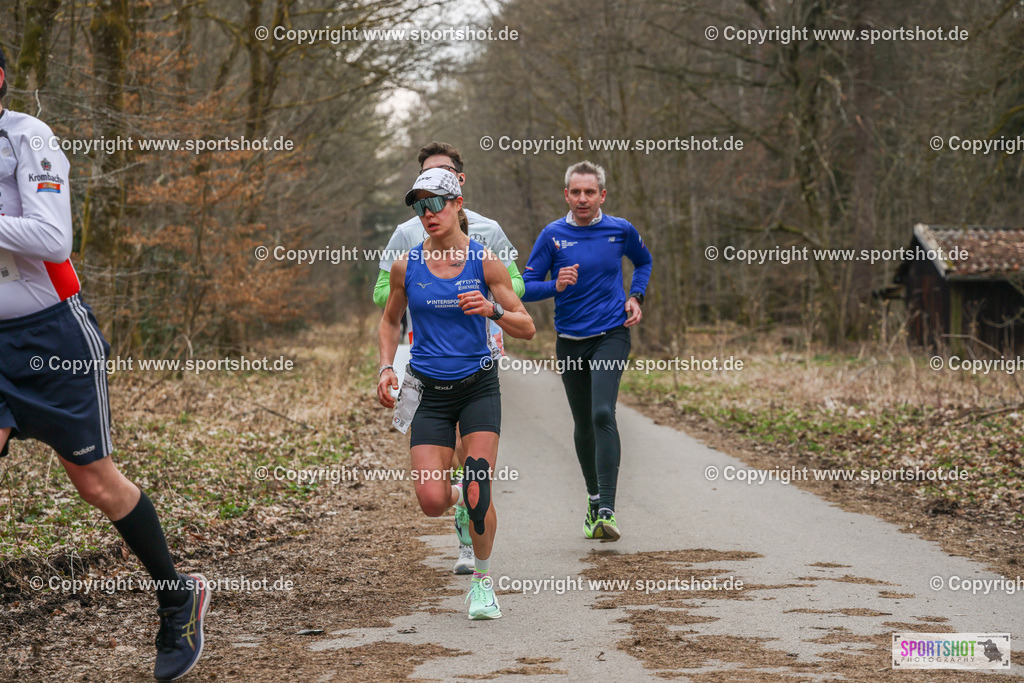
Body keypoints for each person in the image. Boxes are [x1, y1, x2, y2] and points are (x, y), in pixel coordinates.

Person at [0, 47, 209, 681]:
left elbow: (53, 238)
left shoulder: (27, 137)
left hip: (52, 334)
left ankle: (176, 596)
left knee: (94, 482)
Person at [377, 168, 534, 620]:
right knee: (430, 502)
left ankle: (483, 584)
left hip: (478, 387)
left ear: (458, 204)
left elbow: (527, 326)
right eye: (419, 205)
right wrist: (387, 366)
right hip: (428, 391)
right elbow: (390, 321)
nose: (427, 213)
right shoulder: (408, 265)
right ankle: (462, 497)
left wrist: (493, 308)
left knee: (478, 489)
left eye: (436, 203)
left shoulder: (485, 261)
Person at [521, 160, 652, 542]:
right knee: (582, 422)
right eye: (575, 192)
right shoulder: (552, 235)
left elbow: (643, 261)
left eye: (589, 192)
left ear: (602, 196)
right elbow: (525, 286)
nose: (582, 199)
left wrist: (635, 296)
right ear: (566, 195)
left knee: (600, 412)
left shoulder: (620, 230)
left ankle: (608, 508)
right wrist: (555, 286)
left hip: (612, 333)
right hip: (570, 341)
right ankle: (593, 500)